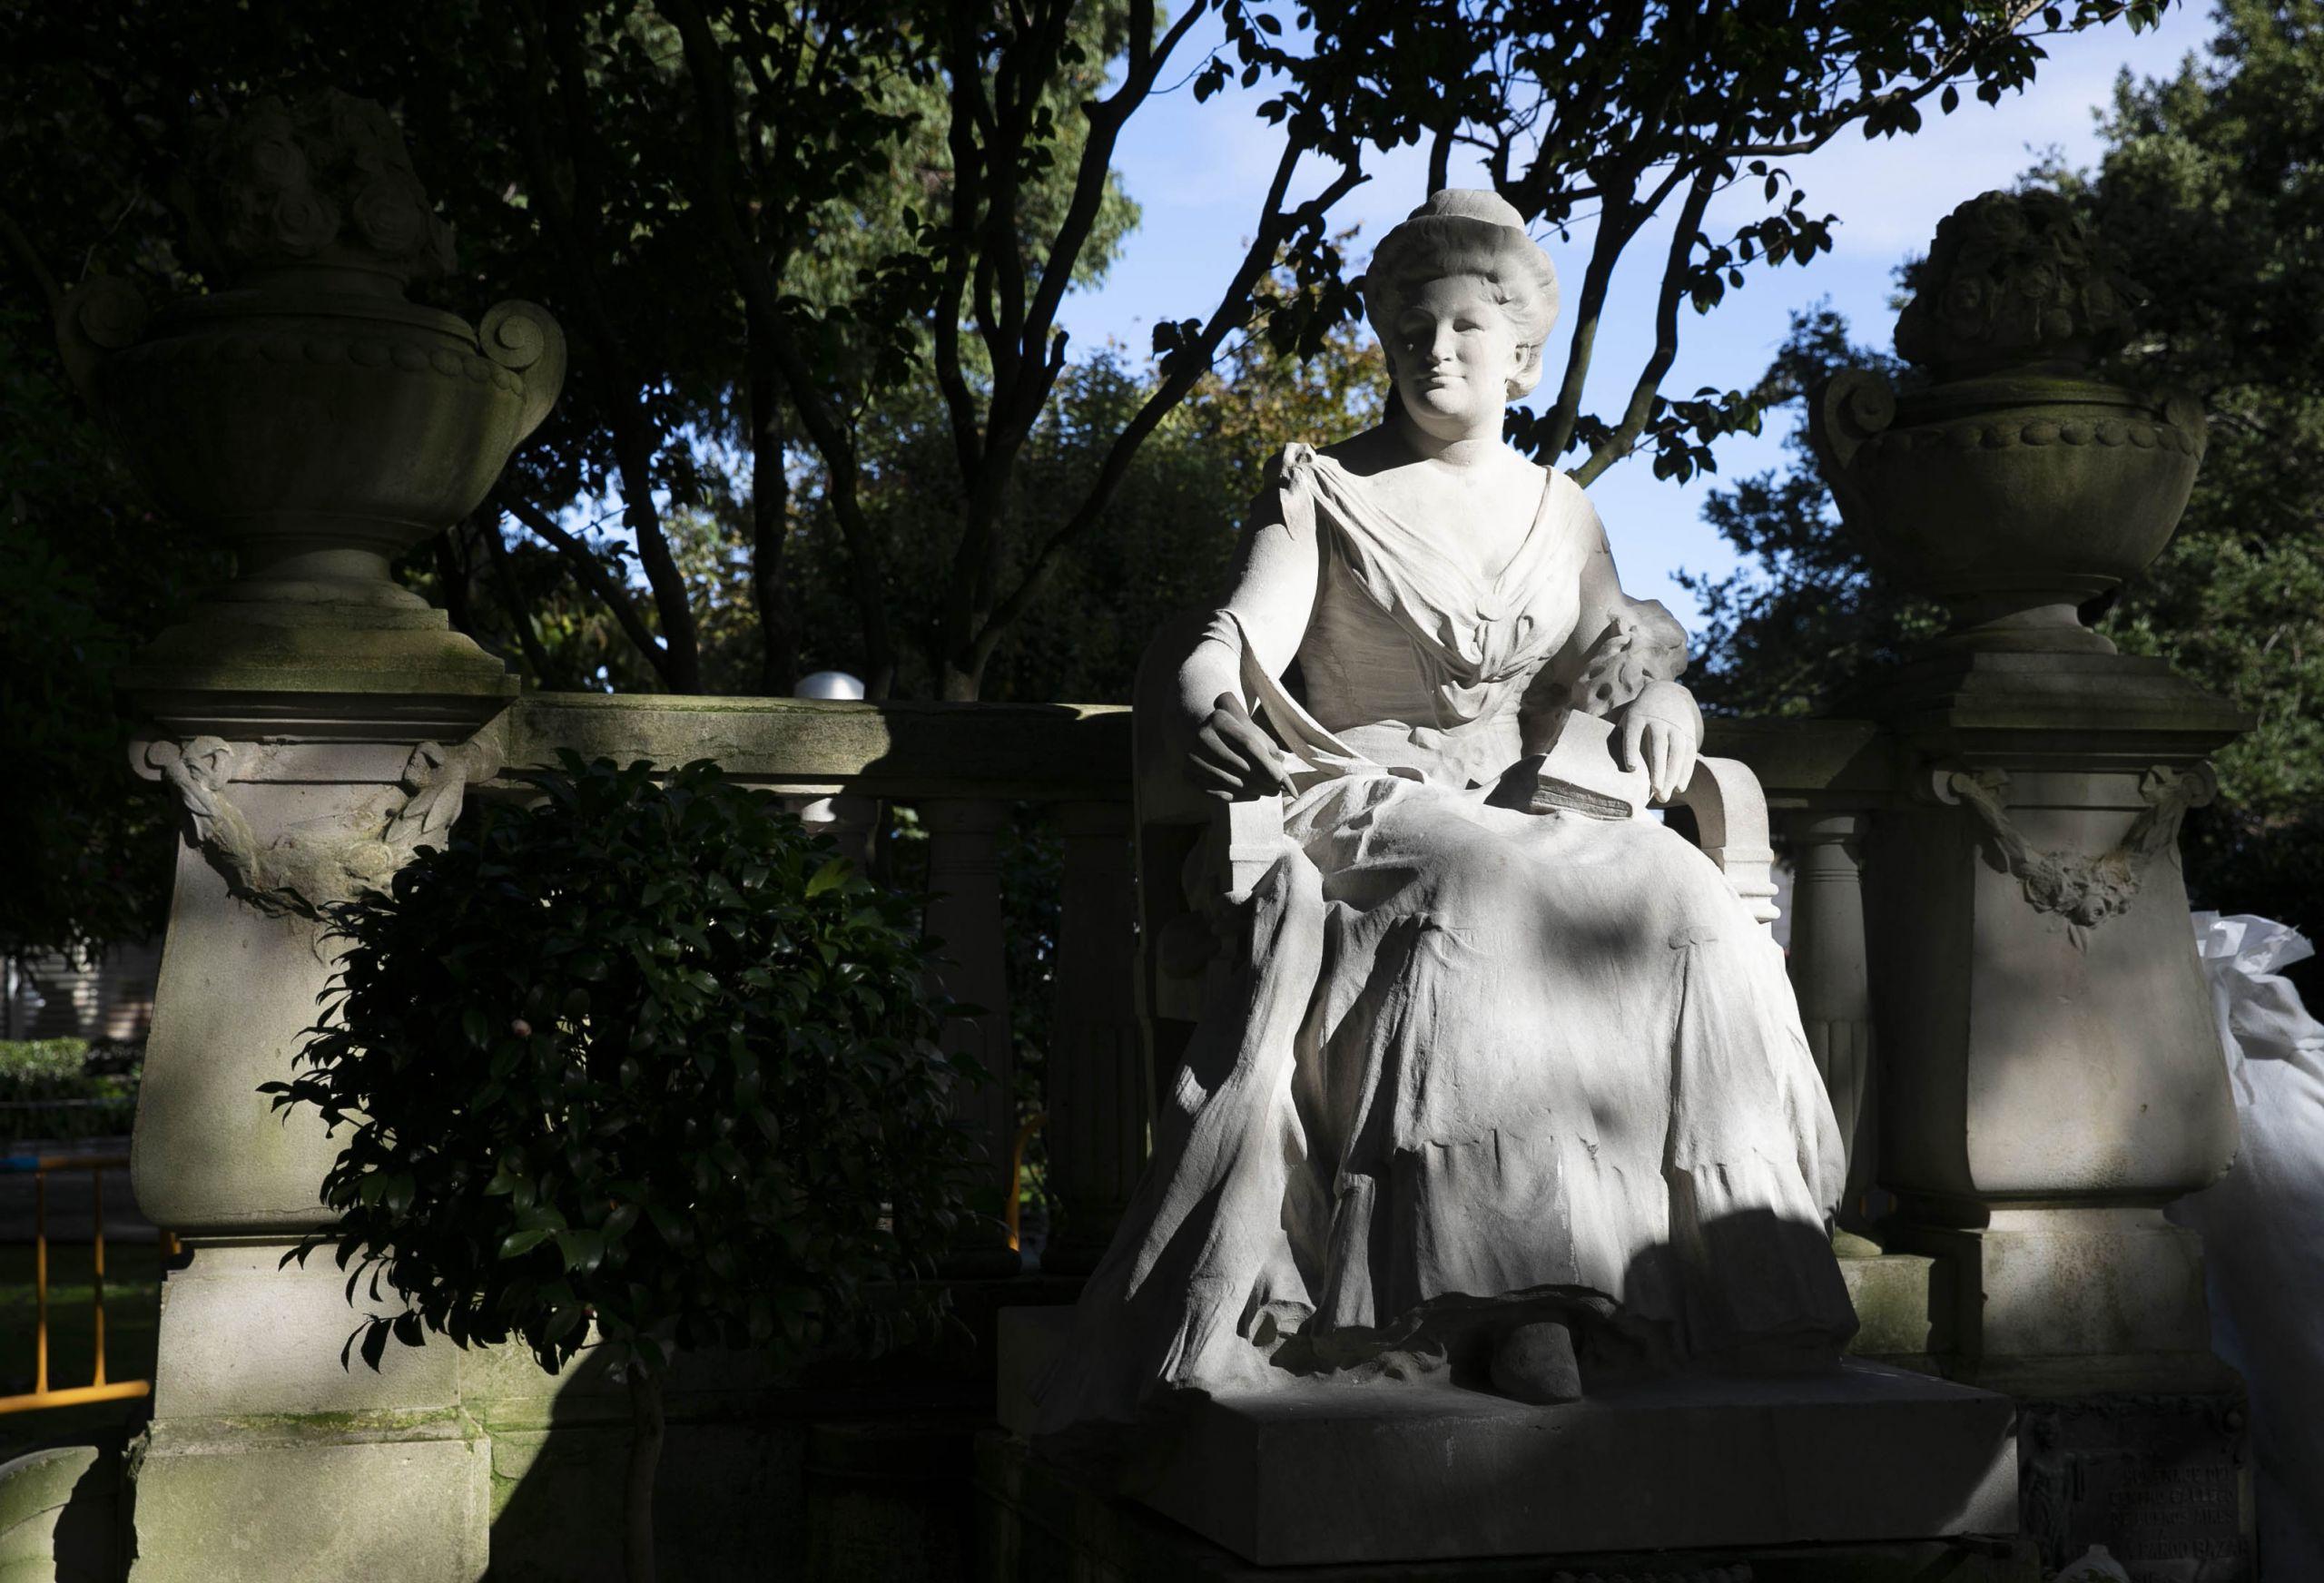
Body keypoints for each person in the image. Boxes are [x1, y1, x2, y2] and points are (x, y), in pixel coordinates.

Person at [1033, 190, 1854, 1435]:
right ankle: (1510, 1292)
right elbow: (1236, 631)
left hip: (1527, 796)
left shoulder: (1560, 509)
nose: (1437, 350)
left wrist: (1667, 694)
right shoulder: (1323, 486)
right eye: (1414, 326)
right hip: (1362, 793)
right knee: (1486, 889)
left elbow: (1622, 650)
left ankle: (1729, 1271)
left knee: (1677, 888)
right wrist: (1207, 690)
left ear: (1522, 351)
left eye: (1470, 326)